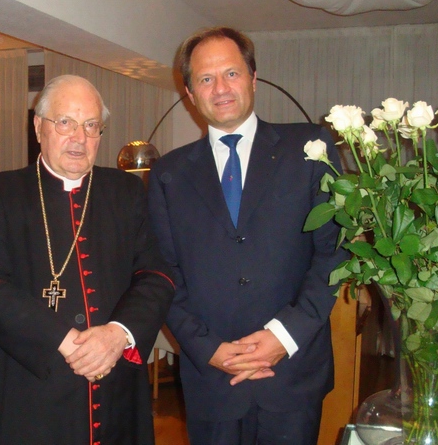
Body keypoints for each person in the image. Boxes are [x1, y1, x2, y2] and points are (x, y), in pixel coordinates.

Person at [147, 27, 347, 445]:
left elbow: (334, 253)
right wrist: (208, 349)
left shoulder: (310, 148)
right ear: (189, 92)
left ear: (253, 78)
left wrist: (283, 335)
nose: (220, 88)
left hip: (292, 374)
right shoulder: (168, 174)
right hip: (212, 380)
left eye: (231, 73)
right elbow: (163, 274)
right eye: (205, 78)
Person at [0, 74, 175, 444]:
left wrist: (118, 335)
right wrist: (64, 340)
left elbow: (156, 274)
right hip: (28, 394)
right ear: (38, 127)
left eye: (91, 125)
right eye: (65, 122)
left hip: (116, 392)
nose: (79, 137)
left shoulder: (126, 191)